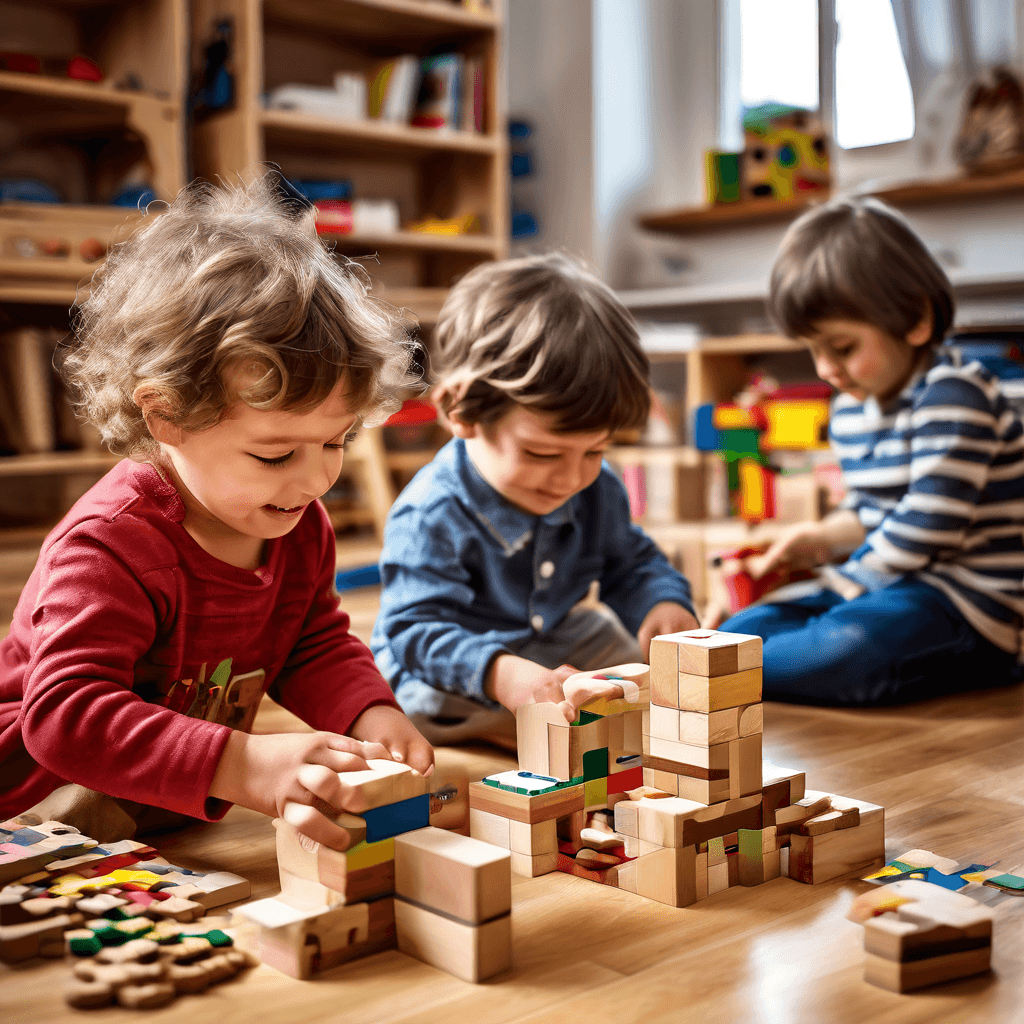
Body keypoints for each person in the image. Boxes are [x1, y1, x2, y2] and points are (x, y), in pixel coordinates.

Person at [0, 175, 434, 847]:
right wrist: (244, 764)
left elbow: (311, 643)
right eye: (274, 454)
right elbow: (65, 716)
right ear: (168, 416)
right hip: (38, 794)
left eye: (335, 442)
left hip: (165, 805)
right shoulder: (110, 543)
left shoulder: (295, 524)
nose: (316, 478)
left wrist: (369, 714)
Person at [371, 253, 698, 747]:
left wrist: (661, 601)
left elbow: (629, 561)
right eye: (542, 452)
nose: (571, 477)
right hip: (456, 663)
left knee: (632, 663)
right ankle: (526, 721)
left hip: (555, 640)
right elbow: (416, 630)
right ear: (461, 411)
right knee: (416, 703)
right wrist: (502, 675)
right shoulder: (431, 512)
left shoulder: (598, 485)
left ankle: (556, 713)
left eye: (595, 450)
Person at [720, 196, 1024, 704]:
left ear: (915, 321)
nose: (824, 370)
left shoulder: (954, 395)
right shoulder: (850, 409)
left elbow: (927, 525)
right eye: (812, 351)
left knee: (849, 647)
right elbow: (868, 511)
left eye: (842, 348)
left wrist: (845, 582)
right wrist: (815, 540)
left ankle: (725, 675)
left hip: (971, 610)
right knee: (744, 627)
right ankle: (726, 664)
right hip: (886, 587)